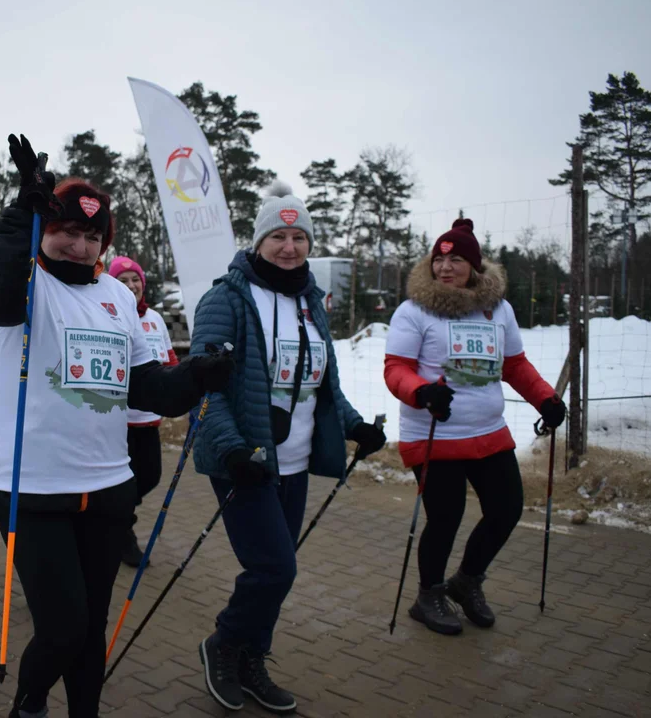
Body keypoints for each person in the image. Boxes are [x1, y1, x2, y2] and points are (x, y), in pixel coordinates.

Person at [0, 134, 234, 718]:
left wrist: (198, 374)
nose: (81, 244)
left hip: (108, 488)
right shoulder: (23, 285)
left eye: (93, 236)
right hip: (31, 490)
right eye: (68, 231)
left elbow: (149, 389)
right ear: (46, 229)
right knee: (63, 629)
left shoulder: (117, 295)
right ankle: (30, 701)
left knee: (90, 634)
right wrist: (24, 211)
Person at [189, 181, 386, 713]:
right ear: (258, 241)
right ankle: (223, 643)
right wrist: (232, 451)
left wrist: (354, 425)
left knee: (274, 572)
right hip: (245, 461)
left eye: (300, 236)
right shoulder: (226, 298)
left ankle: (253, 657)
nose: (290, 246)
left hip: (295, 459)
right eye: (279, 234)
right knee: (277, 568)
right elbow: (204, 389)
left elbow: (322, 385)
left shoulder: (310, 303)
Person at [383, 218, 566, 636]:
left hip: (488, 430)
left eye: (457, 259)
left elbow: (514, 365)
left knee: (506, 510)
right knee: (446, 517)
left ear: (475, 266)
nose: (445, 267)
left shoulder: (498, 309)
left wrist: (546, 398)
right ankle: (428, 595)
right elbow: (396, 369)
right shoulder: (414, 311)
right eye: (439, 259)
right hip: (435, 432)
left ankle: (466, 582)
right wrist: (422, 392)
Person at [107, 256, 179, 568]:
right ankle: (120, 532)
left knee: (149, 476)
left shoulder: (155, 319)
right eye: (122, 281)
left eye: (134, 279)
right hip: (118, 421)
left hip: (148, 420)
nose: (131, 285)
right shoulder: (109, 314)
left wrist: (183, 384)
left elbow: (169, 357)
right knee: (121, 483)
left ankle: (117, 519)